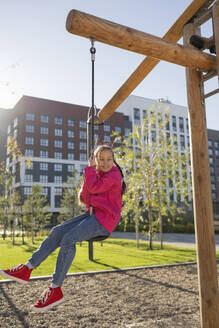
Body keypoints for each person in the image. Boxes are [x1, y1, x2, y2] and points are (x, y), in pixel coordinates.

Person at [0, 144, 126, 312]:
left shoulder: (114, 175)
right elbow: (86, 198)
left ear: (113, 160)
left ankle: (55, 289)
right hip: (93, 215)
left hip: (105, 220)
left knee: (68, 239)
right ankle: (27, 268)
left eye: (109, 159)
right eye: (101, 159)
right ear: (95, 160)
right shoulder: (97, 174)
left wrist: (89, 170)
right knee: (57, 232)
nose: (105, 162)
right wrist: (90, 176)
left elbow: (94, 189)